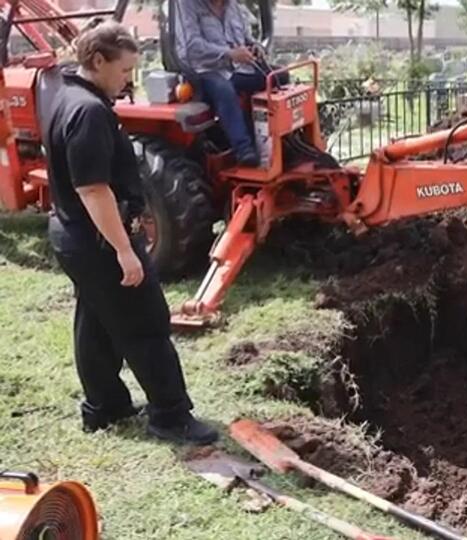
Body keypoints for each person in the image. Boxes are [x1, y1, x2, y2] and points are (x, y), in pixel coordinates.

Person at [44, 22, 218, 445]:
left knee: (97, 320)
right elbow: (92, 189)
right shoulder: (87, 112)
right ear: (97, 61)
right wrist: (125, 251)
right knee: (145, 323)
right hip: (100, 238)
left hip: (74, 235)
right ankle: (171, 416)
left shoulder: (66, 97)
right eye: (124, 71)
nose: (130, 80)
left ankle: (104, 406)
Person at [175, 0, 287, 166]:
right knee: (224, 89)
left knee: (279, 77)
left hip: (236, 69)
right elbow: (192, 47)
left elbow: (245, 38)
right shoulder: (185, 5)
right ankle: (244, 150)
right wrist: (229, 54)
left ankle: (283, 139)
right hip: (202, 72)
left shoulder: (232, 6)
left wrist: (255, 47)